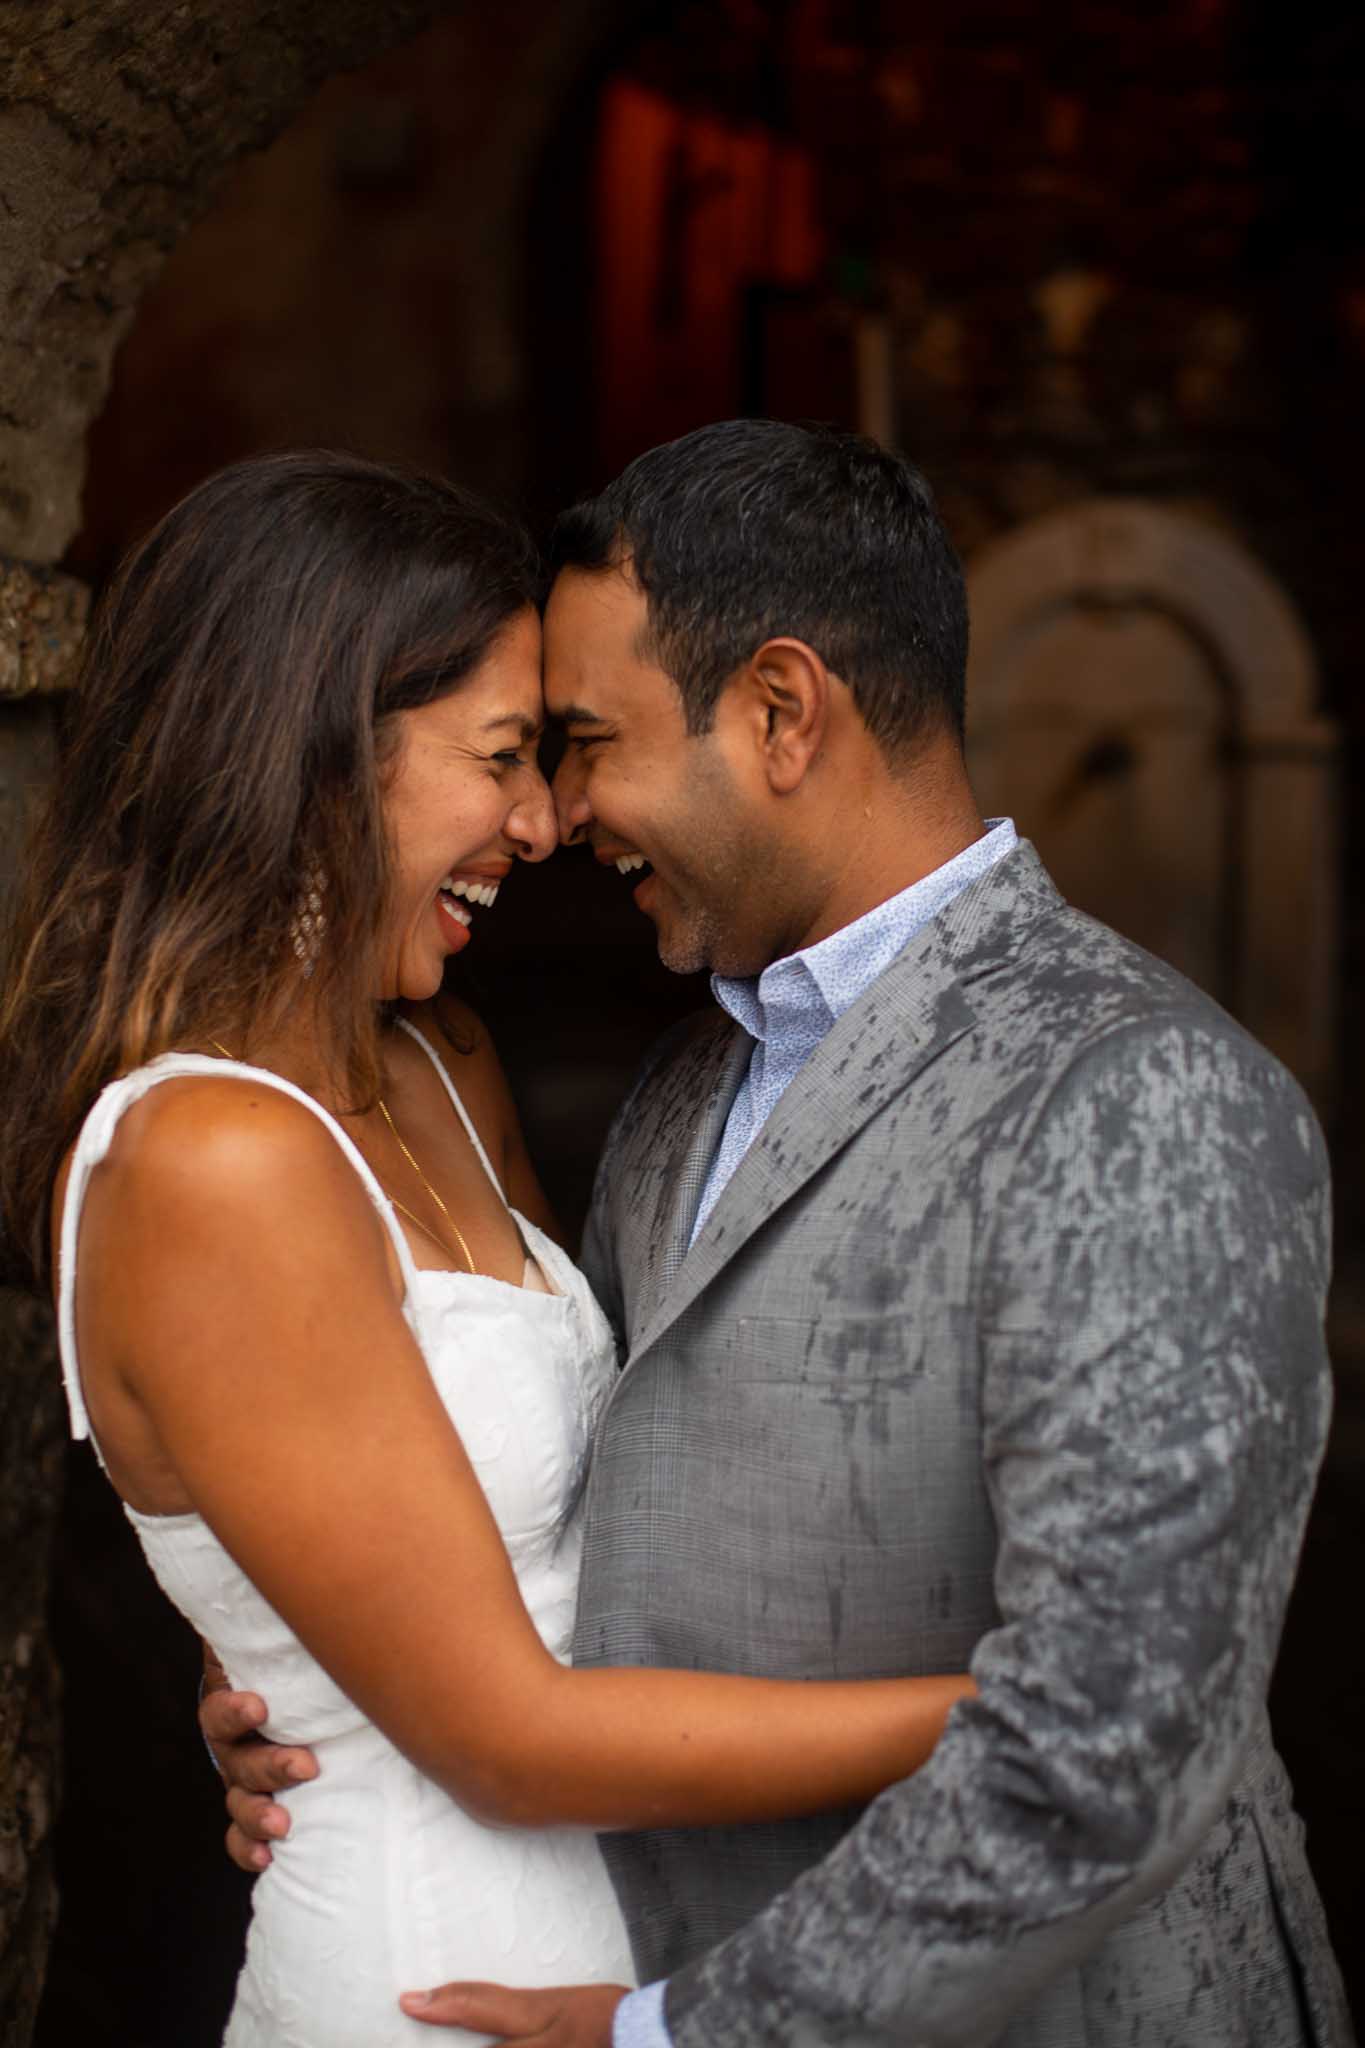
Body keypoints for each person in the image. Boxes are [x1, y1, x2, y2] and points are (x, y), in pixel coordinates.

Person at [216, 422, 1352, 2047]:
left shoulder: (1141, 1092)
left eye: (589, 743)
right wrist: (315, 1684)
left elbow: (1110, 1750)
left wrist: (676, 2035)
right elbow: (557, 1511)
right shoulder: (684, 1093)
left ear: (777, 712)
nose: (560, 815)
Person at [0, 449, 979, 2048]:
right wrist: (1011, 1711)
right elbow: (505, 1741)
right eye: (505, 757)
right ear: (319, 749)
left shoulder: (440, 1064)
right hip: (438, 1983)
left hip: (648, 1956)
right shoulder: (208, 1158)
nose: (542, 823)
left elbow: (478, 1520)